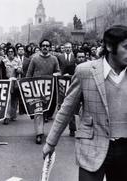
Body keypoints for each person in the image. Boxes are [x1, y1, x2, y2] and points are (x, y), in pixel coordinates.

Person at [43, 25, 127, 181]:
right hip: (92, 146)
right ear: (109, 46)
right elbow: (67, 109)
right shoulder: (85, 71)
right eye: (126, 47)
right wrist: (51, 142)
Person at [26, 39, 60, 144]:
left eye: (47, 45)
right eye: (43, 45)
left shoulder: (54, 59)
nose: (45, 47)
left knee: (46, 111)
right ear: (40, 47)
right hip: (37, 89)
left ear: (50, 47)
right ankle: (39, 134)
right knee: (38, 111)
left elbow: (58, 71)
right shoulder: (34, 59)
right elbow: (29, 74)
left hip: (49, 90)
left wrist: (57, 74)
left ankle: (41, 128)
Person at [2, 46, 22, 125]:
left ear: (14, 52)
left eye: (12, 51)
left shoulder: (18, 60)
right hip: (6, 82)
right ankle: (6, 116)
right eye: (9, 51)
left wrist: (18, 69)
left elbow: (21, 71)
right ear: (7, 52)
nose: (10, 53)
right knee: (7, 99)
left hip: (15, 82)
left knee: (14, 99)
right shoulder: (4, 61)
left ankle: (13, 114)